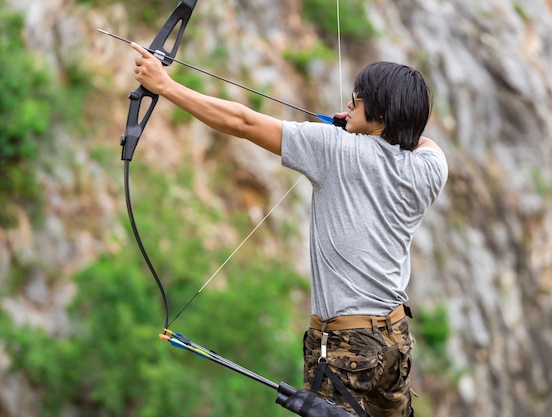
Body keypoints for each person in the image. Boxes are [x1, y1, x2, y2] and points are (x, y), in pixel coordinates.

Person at [130, 42, 448, 417]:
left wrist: (165, 86)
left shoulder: (335, 149)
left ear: (380, 112)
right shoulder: (430, 167)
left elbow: (243, 123)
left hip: (347, 345)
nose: (347, 106)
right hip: (395, 339)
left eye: (355, 101)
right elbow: (421, 140)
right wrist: (368, 127)